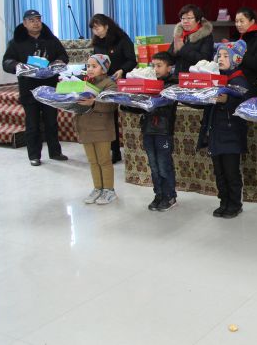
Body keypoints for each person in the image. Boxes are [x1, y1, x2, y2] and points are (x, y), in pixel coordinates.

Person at [1, 9, 69, 166]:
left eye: (38, 19)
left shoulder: (51, 40)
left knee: (51, 122)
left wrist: (56, 63)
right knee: (32, 125)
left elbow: (63, 56)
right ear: (25, 23)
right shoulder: (16, 42)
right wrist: (19, 66)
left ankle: (55, 152)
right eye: (31, 20)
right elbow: (6, 62)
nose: (36, 23)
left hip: (49, 87)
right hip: (28, 89)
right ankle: (34, 156)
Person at [197, 40, 250, 219]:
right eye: (219, 55)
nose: (221, 59)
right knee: (219, 172)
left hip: (231, 134)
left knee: (231, 172)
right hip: (215, 132)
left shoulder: (239, 79)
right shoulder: (213, 78)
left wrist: (228, 100)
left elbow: (244, 103)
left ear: (236, 59)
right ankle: (223, 202)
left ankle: (235, 204)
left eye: (226, 56)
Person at [121, 51, 179, 212]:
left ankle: (170, 196)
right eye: (153, 66)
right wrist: (127, 101)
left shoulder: (173, 85)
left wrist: (147, 94)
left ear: (169, 68)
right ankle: (158, 195)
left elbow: (161, 103)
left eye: (159, 66)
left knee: (164, 165)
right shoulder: (148, 82)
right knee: (153, 166)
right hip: (148, 129)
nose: (155, 69)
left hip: (163, 131)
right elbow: (141, 107)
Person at [90, 13, 136, 164]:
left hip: (120, 82)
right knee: (106, 116)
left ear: (107, 26)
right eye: (93, 29)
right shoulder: (97, 43)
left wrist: (122, 70)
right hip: (102, 82)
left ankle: (117, 150)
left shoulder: (121, 39)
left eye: (98, 27)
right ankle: (111, 149)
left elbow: (132, 60)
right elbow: (95, 62)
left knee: (115, 115)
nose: (96, 31)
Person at [76, 54, 119, 205]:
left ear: (104, 68)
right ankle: (98, 188)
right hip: (85, 127)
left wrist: (94, 103)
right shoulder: (84, 83)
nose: (90, 69)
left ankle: (109, 190)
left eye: (94, 66)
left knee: (104, 160)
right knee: (92, 161)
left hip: (102, 129)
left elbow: (112, 105)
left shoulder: (110, 84)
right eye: (88, 66)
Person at [169, 4, 214, 74]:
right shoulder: (179, 34)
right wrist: (174, 51)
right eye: (183, 18)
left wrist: (182, 49)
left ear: (198, 20)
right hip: (177, 76)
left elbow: (205, 60)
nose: (185, 21)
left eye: (189, 18)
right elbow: (170, 60)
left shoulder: (206, 36)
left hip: (195, 77)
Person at [233, 7, 257, 92]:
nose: (238, 24)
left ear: (252, 22)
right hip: (237, 77)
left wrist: (239, 54)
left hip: (251, 82)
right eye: (236, 21)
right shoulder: (239, 38)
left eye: (242, 21)